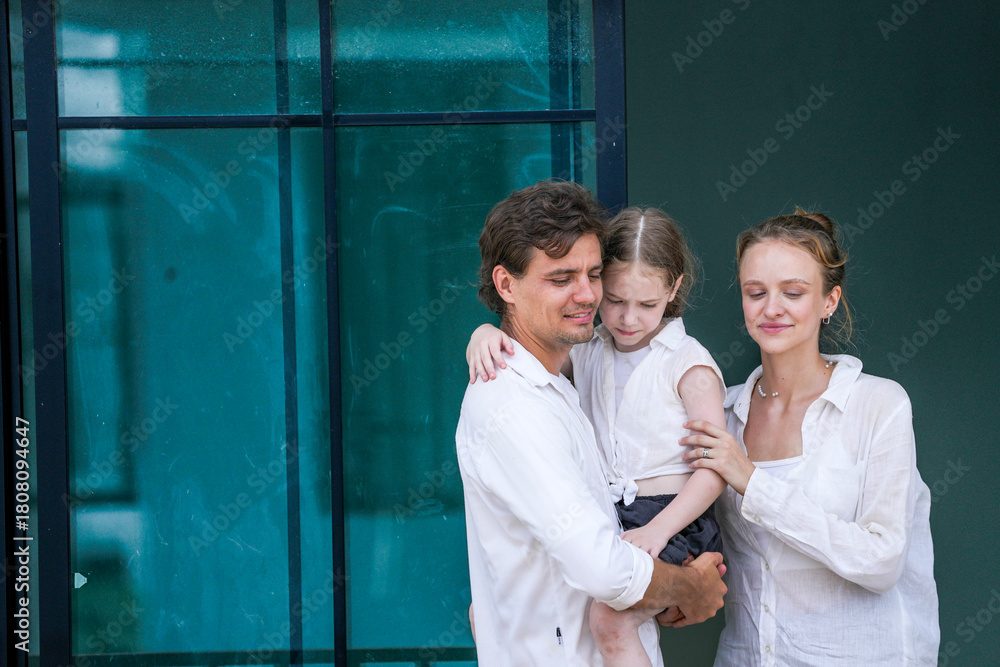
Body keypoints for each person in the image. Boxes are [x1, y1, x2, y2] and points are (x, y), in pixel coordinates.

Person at [456, 181, 727, 666]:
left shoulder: (562, 379)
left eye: (594, 274)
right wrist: (690, 587)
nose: (586, 295)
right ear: (506, 285)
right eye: (562, 278)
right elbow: (603, 568)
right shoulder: (513, 405)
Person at [678, 208, 939, 665]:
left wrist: (752, 482)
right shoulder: (722, 414)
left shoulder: (878, 404)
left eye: (793, 292)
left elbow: (882, 561)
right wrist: (681, 584)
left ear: (829, 301)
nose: (771, 308)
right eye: (755, 292)